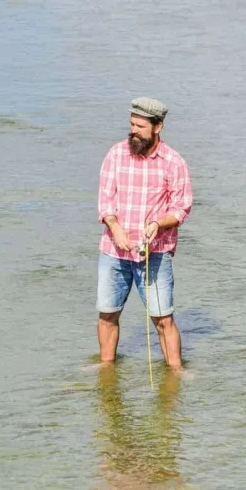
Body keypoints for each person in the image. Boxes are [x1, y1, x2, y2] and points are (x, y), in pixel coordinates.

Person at [96, 97, 193, 368]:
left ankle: (175, 372)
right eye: (131, 124)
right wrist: (114, 227)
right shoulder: (115, 154)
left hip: (155, 253)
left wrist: (158, 224)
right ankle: (106, 369)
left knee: (163, 319)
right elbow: (105, 202)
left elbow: (182, 207)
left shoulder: (174, 162)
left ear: (157, 126)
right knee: (107, 314)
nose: (134, 131)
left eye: (140, 126)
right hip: (113, 251)